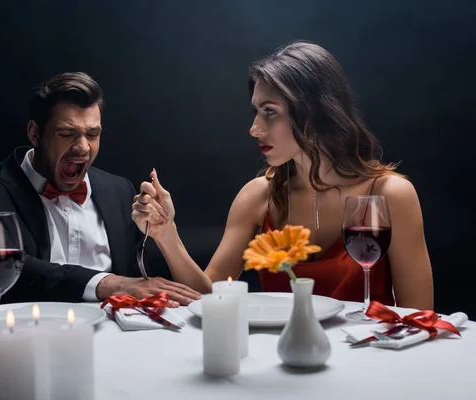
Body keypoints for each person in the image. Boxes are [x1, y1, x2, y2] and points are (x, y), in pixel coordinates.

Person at [132, 41, 434, 310]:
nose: (254, 129)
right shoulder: (257, 195)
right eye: (255, 112)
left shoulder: (390, 195)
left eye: (269, 111)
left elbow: (419, 316)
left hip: (367, 362)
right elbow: (210, 300)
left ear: (314, 112)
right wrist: (166, 234)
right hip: (280, 361)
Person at [0, 72, 200, 306]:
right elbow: (6, 270)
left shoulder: (119, 191)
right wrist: (108, 283)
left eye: (92, 134)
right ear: (35, 134)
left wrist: (166, 231)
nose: (83, 148)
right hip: (24, 342)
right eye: (67, 133)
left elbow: (153, 284)